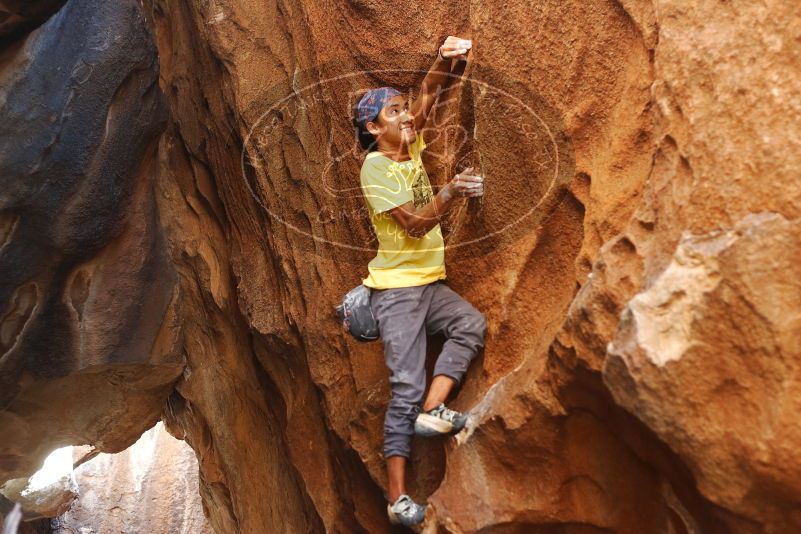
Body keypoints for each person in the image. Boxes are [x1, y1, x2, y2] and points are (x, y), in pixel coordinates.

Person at [351, 36, 487, 528]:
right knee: (403, 387)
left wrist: (445, 60)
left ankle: (436, 409)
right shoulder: (376, 166)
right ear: (373, 128)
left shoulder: (409, 146)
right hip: (397, 293)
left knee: (470, 325)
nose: (406, 117)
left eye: (403, 110)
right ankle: (398, 499)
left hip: (428, 284)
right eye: (393, 113)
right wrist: (451, 190)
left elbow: (428, 96)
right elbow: (412, 224)